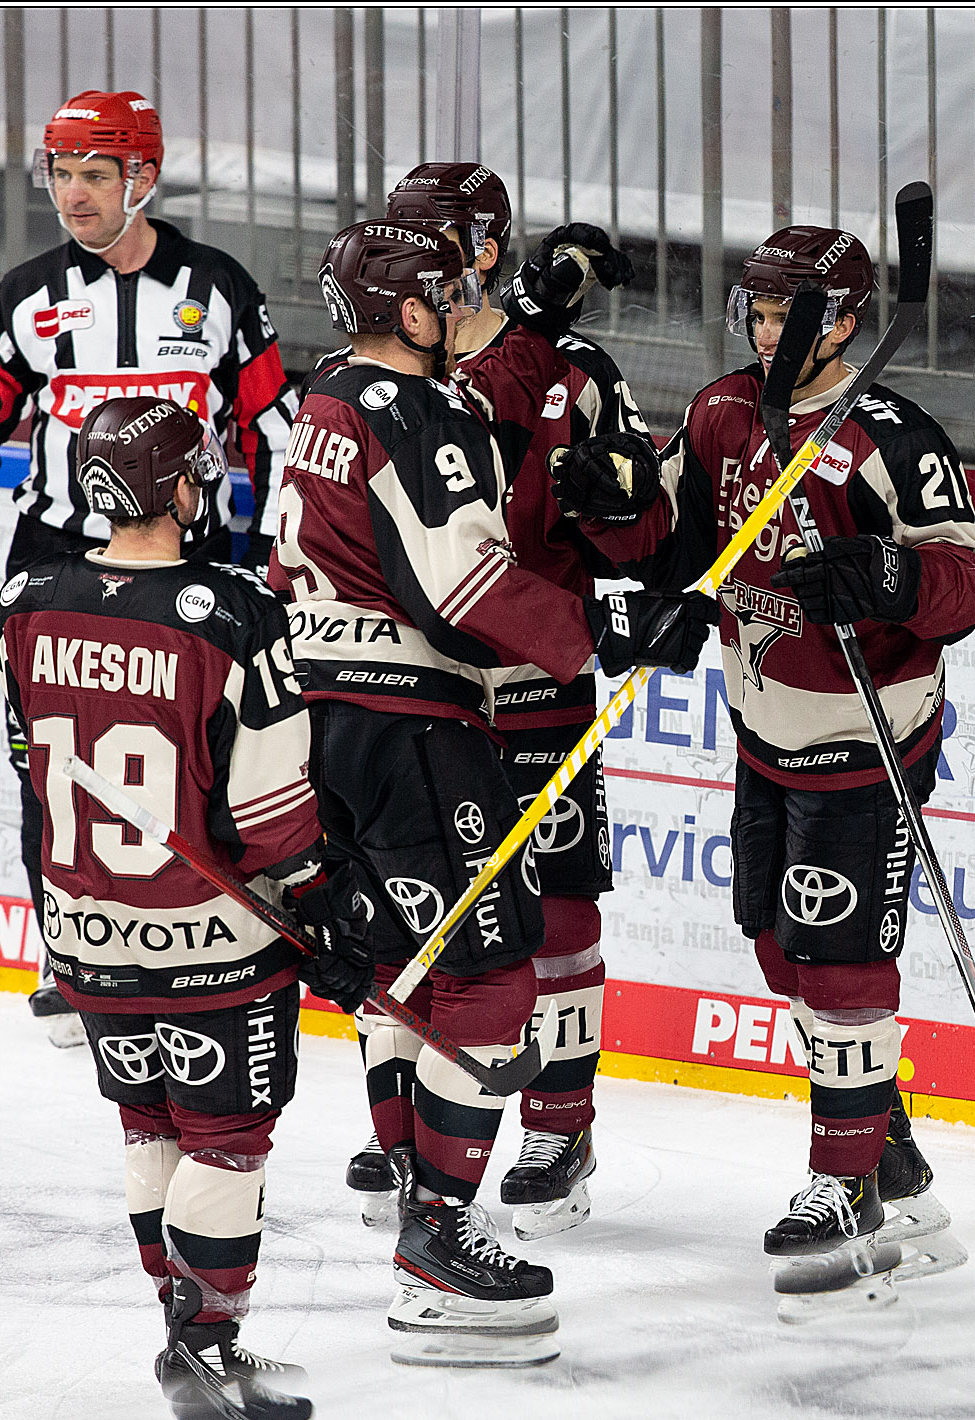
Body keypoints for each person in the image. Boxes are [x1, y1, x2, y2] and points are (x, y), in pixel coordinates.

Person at [268, 217, 717, 1362]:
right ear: (414, 310)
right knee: (489, 976)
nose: (461, 307)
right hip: (413, 722)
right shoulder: (414, 413)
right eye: (447, 295)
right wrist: (603, 624)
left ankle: (417, 1182)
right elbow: (465, 582)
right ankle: (440, 1245)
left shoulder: (323, 400)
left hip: (323, 718)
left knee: (404, 964)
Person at [553, 224, 975, 1263]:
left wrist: (885, 577)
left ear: (843, 321)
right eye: (751, 312)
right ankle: (883, 1148)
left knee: (837, 951)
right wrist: (618, 511)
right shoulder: (718, 412)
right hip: (763, 731)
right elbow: (673, 540)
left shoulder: (892, 434)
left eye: (780, 313)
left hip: (866, 732)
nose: (762, 332)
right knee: (773, 939)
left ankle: (841, 1187)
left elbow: (966, 580)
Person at [0, 395, 373, 1420]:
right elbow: (266, 817)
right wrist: (323, 912)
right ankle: (205, 1352)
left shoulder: (24, 597)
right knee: (225, 1138)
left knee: (151, 1126)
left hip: (83, 930)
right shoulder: (232, 614)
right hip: (212, 936)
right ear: (176, 486)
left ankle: (184, 1329)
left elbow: (33, 760)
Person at [338, 162, 670, 1241]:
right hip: (424, 687)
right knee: (405, 912)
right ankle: (417, 1125)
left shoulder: (573, 368)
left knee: (560, 906)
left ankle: (556, 1122)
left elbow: (651, 536)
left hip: (534, 679)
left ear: (481, 249)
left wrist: (621, 507)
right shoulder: (385, 372)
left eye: (441, 237)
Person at [0, 88, 298, 1039]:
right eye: (60, 173)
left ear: (145, 177)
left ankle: (200, 927)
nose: (72, 195)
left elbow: (273, 427)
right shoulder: (24, 297)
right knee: (46, 762)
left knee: (199, 755)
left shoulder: (219, 288)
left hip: (188, 559)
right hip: (55, 556)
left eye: (94, 174)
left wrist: (277, 554)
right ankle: (70, 942)